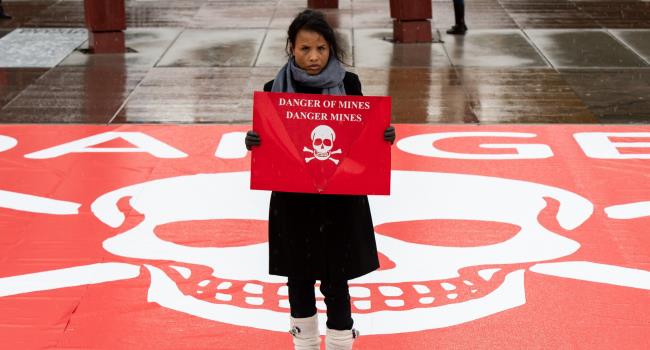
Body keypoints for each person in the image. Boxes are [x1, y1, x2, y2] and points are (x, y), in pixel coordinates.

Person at [245, 9, 395, 350]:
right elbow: (271, 142)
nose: (313, 57)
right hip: (293, 204)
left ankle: (341, 342)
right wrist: (254, 141)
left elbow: (363, 138)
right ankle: (305, 345)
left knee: (335, 278)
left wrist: (383, 135)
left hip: (338, 203)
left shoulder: (351, 84)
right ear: (291, 49)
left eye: (321, 48)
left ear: (331, 49)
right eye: (304, 49)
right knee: (297, 279)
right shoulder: (274, 90)